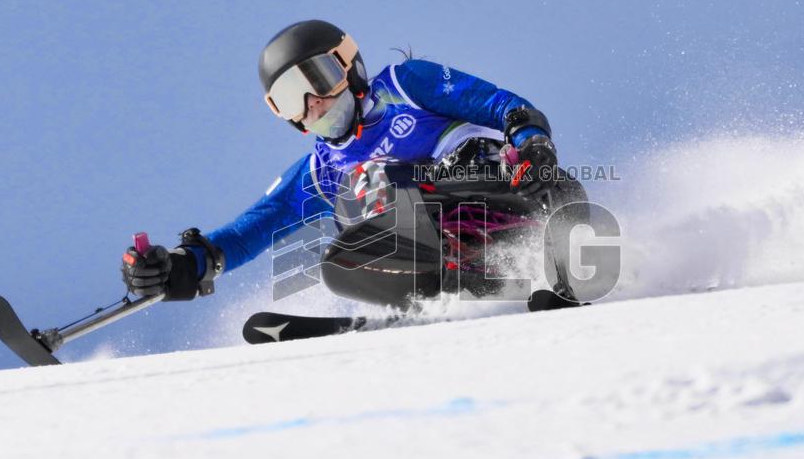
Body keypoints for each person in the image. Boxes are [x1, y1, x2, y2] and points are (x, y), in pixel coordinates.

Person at [122, 19, 581, 303]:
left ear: (349, 66)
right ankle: (456, 276)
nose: (312, 104)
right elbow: (249, 230)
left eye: (317, 79)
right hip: (450, 247)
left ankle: (533, 236)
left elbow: (503, 106)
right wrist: (184, 265)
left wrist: (535, 146)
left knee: (368, 180)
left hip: (509, 189)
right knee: (347, 213)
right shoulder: (320, 171)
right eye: (290, 100)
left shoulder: (404, 85)